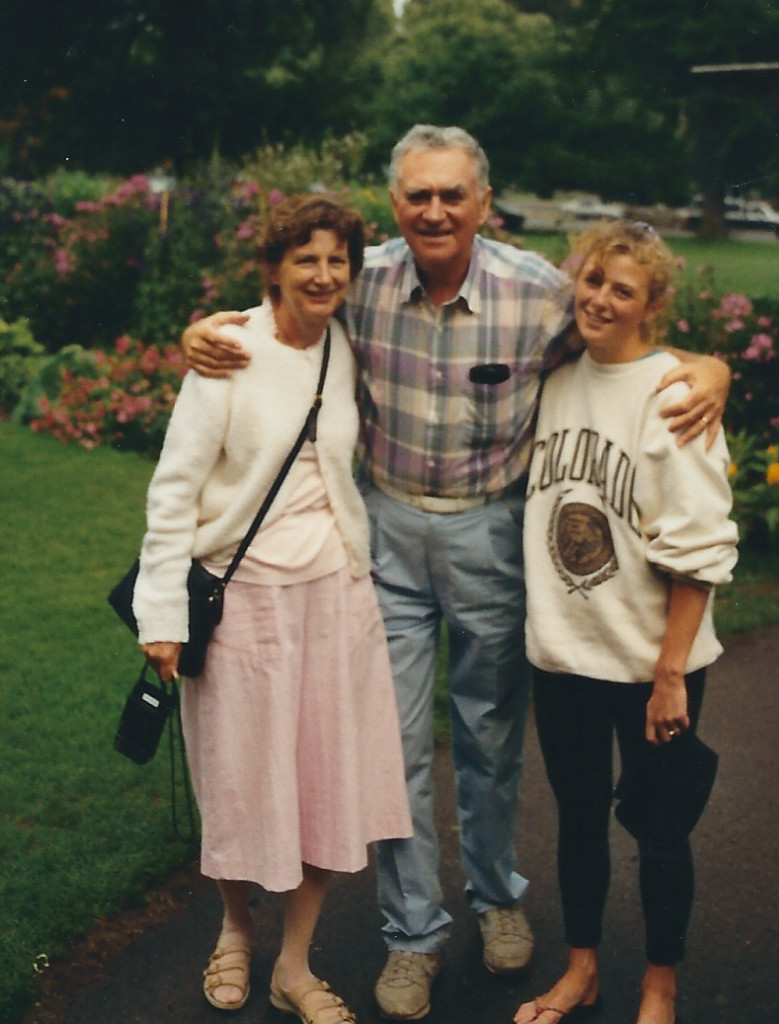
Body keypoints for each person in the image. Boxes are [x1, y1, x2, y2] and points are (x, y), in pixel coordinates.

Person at [182, 125, 731, 1022]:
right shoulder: (363, 284)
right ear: (395, 202)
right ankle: (412, 936)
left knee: (488, 737)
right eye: (416, 195)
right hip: (387, 534)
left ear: (484, 203)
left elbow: (631, 335)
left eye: (451, 195)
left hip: (491, 535)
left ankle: (496, 898)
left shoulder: (541, 293)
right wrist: (202, 330)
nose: (433, 210)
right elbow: (283, 312)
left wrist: (718, 370)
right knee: (392, 745)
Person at [134, 195, 412, 1022]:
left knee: (329, 781)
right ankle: (234, 925)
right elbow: (173, 489)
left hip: (334, 596)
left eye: (338, 261)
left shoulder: (347, 349)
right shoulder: (228, 353)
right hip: (241, 597)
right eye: (306, 259)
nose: (324, 275)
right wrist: (160, 615)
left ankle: (295, 961)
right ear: (273, 268)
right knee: (238, 779)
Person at [516, 221, 739, 1024]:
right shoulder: (557, 378)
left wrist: (671, 673)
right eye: (593, 280)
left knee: (659, 828)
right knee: (577, 820)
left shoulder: (676, 395)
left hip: (653, 665)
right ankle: (582, 971)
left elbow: (702, 547)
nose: (600, 299)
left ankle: (659, 983)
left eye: (623, 289)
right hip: (565, 656)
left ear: (653, 306)